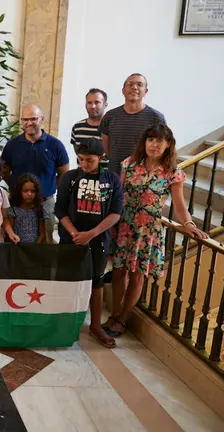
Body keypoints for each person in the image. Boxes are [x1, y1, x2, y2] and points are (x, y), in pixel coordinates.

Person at [105, 124, 208, 338]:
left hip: (148, 231)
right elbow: (117, 195)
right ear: (144, 142)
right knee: (118, 272)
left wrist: (188, 224)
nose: (155, 144)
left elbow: (179, 206)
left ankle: (123, 318)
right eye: (151, 140)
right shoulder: (129, 164)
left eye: (160, 140)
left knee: (137, 276)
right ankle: (114, 313)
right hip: (124, 225)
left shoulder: (173, 173)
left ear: (168, 144)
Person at [55, 138, 123, 347]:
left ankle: (95, 326)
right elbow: (60, 209)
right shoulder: (70, 177)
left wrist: (91, 234)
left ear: (101, 158)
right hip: (71, 239)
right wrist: (75, 233)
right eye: (80, 160)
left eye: (89, 161)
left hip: (98, 240)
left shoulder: (112, 180)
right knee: (66, 280)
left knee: (96, 282)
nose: (84, 164)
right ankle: (60, 323)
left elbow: (115, 213)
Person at [1, 104, 69, 243]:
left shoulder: (55, 145)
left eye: (33, 118)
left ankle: (47, 266)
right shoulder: (12, 145)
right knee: (15, 240)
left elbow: (64, 172)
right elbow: (4, 170)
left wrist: (50, 187)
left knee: (46, 241)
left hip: (45, 201)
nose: (29, 123)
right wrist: (15, 187)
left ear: (42, 119)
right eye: (25, 119)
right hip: (18, 203)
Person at [100, 73, 166, 174]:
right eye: (130, 84)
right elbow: (107, 149)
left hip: (143, 176)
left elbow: (160, 148)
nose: (134, 87)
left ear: (146, 91)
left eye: (139, 84)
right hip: (115, 174)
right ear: (123, 90)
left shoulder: (156, 118)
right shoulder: (110, 116)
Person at [6, 173, 47, 244]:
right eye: (25, 191)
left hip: (34, 249)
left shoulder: (39, 210)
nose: (29, 194)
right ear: (19, 192)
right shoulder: (13, 210)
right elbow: (10, 231)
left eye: (33, 191)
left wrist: (35, 246)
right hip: (17, 248)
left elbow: (42, 234)